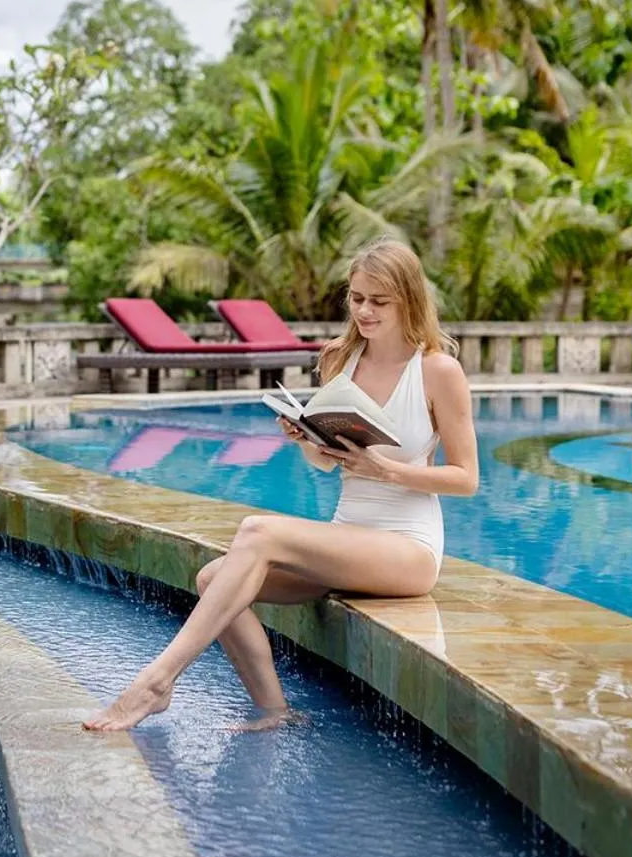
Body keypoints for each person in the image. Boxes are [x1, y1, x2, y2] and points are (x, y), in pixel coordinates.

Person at [83, 238, 479, 732]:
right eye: (357, 298)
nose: (364, 311)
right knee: (212, 580)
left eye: (379, 301)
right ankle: (275, 710)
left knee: (258, 532)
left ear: (409, 301)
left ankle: (156, 682)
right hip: (349, 535)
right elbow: (326, 464)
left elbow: (466, 478)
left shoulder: (437, 370)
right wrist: (307, 439)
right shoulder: (339, 359)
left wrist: (387, 470)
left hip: (408, 548)